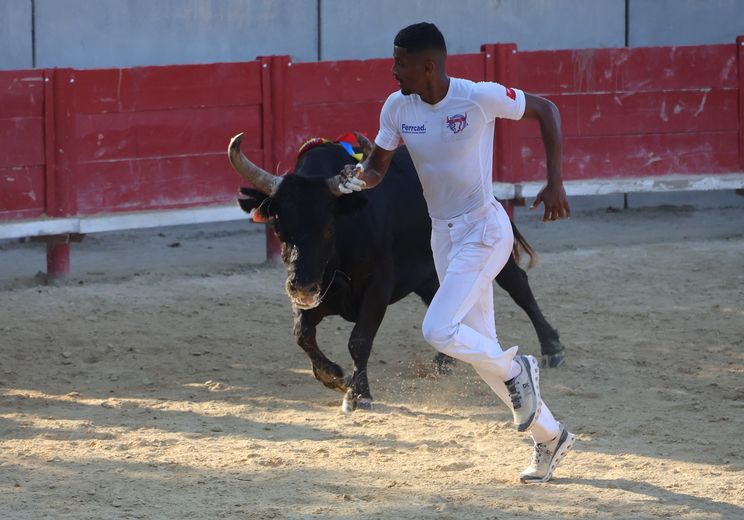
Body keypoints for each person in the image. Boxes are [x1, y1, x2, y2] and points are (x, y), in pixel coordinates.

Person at [330, 22, 574, 483]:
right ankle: (550, 436)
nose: (392, 69)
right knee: (484, 361)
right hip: (443, 237)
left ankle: (517, 365)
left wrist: (556, 180)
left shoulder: (477, 97)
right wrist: (353, 179)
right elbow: (377, 168)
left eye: (400, 62)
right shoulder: (396, 107)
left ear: (428, 66)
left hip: (484, 229)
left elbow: (547, 109)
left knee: (439, 330)